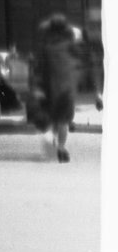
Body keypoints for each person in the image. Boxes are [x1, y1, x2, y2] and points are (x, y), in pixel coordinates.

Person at [33, 14, 84, 163]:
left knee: (54, 118)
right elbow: (79, 63)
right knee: (63, 121)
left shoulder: (45, 48)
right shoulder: (72, 46)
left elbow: (39, 70)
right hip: (67, 90)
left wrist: (38, 89)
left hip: (51, 89)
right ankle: (61, 149)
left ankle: (53, 141)